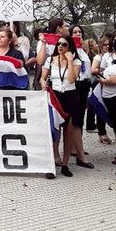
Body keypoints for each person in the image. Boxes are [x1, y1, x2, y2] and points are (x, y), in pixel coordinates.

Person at [40, 35, 92, 177]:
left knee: (69, 131)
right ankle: (52, 161)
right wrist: (42, 82)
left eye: (64, 44)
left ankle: (65, 163)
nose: (61, 47)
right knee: (55, 130)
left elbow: (71, 78)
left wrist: (69, 60)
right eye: (59, 44)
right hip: (55, 95)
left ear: (70, 47)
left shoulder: (76, 61)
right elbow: (42, 77)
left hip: (70, 95)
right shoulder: (50, 60)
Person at [88, 35, 113, 144]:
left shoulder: (113, 56)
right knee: (101, 108)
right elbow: (93, 70)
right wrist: (106, 70)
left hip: (112, 84)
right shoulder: (99, 57)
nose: (107, 46)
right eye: (105, 45)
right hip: (101, 84)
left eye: (109, 44)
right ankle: (102, 133)